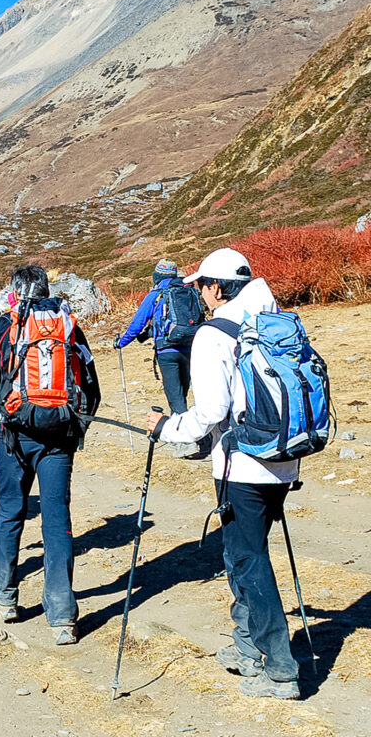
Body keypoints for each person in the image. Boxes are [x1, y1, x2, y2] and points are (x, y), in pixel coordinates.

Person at [147, 248, 300, 700]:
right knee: (243, 553)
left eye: (201, 286)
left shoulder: (214, 334)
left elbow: (212, 410)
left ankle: (281, 669)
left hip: (242, 462)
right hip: (283, 456)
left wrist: (168, 428)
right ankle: (246, 646)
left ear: (216, 287)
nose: (199, 294)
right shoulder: (274, 318)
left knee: (249, 560)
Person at [0, 265, 101, 643]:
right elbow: (92, 387)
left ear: (13, 293)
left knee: (10, 512)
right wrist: (75, 427)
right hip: (60, 437)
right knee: (57, 520)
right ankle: (62, 615)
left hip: (13, 436)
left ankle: (5, 596)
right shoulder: (68, 325)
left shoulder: (3, 327)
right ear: (49, 289)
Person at [116, 261, 208, 460]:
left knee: (175, 397)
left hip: (167, 351)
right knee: (182, 393)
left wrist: (121, 342)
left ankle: (186, 443)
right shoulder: (186, 291)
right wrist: (148, 334)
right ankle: (200, 437)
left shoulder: (156, 294)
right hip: (189, 347)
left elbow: (138, 322)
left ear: (157, 275)